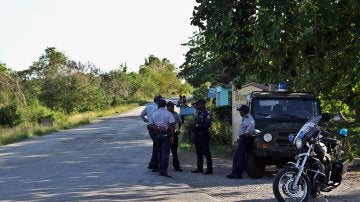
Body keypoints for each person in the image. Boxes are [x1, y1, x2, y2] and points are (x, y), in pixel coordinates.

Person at [148, 98, 176, 177]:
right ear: (165, 105)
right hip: (166, 135)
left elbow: (150, 124)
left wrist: (157, 128)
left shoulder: (154, 113)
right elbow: (172, 125)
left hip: (157, 135)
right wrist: (172, 136)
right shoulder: (168, 114)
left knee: (159, 152)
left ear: (158, 105)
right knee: (165, 154)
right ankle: (163, 171)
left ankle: (160, 168)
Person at [227, 104, 255, 179]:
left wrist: (246, 134)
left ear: (244, 112)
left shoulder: (250, 119)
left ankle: (238, 174)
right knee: (237, 156)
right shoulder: (245, 118)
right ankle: (235, 173)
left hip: (245, 139)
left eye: (240, 111)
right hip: (242, 139)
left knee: (240, 157)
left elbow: (251, 127)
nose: (239, 113)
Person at [140, 95, 163, 171]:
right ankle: (155, 166)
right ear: (159, 101)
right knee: (158, 147)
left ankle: (152, 164)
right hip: (157, 128)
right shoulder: (159, 108)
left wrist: (146, 120)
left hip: (150, 129)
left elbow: (142, 115)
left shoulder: (149, 106)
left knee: (156, 146)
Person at [190, 98, 213, 174]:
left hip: (204, 135)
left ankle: (209, 170)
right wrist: (193, 126)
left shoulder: (207, 113)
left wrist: (196, 126)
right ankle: (199, 168)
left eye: (198, 104)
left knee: (206, 152)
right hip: (198, 136)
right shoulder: (199, 113)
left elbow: (207, 124)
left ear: (202, 104)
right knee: (198, 152)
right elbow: (197, 123)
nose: (196, 105)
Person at [166, 101, 183, 171]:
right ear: (167, 107)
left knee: (174, 152)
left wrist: (178, 129)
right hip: (166, 133)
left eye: (173, 106)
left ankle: (176, 166)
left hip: (174, 133)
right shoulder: (165, 114)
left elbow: (180, 122)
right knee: (165, 151)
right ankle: (163, 166)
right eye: (171, 106)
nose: (173, 107)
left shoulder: (175, 114)